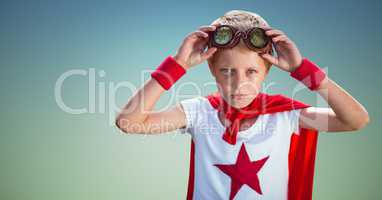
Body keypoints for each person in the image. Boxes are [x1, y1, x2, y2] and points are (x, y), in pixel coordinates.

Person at [115, 10, 370, 200]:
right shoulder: (199, 112)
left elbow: (356, 120)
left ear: (267, 71)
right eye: (227, 71)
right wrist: (177, 66)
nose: (239, 84)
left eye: (250, 72)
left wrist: (303, 70)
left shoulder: (286, 116)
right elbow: (129, 122)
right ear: (212, 69)